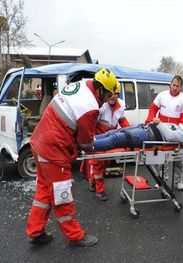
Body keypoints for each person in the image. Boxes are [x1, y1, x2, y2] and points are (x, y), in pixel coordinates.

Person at [26, 68, 119, 247]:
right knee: (62, 195)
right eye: (107, 95)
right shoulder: (90, 106)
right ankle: (75, 236)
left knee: (44, 191)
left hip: (40, 141)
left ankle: (35, 232)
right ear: (101, 89)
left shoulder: (82, 84)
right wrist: (91, 149)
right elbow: (85, 141)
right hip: (54, 148)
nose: (107, 99)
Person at [145, 75, 183, 190]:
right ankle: (161, 179)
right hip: (162, 131)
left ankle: (178, 180)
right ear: (170, 84)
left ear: (181, 87)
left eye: (177, 86)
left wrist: (182, 135)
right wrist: (150, 120)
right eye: (173, 85)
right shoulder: (162, 95)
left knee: (178, 158)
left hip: (175, 133)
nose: (175, 88)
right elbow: (152, 109)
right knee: (162, 157)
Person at [88, 89, 130, 201]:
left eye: (115, 93)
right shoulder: (102, 106)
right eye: (110, 93)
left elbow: (122, 120)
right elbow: (93, 123)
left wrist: (130, 132)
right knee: (98, 164)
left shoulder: (121, 105)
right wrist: (91, 139)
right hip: (100, 137)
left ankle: (92, 181)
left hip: (112, 137)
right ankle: (100, 190)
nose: (113, 96)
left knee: (106, 163)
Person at [94, 117, 183, 151]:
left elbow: (170, 136)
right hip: (144, 128)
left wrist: (159, 123)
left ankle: (88, 146)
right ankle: (88, 140)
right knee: (112, 132)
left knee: (116, 138)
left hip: (148, 135)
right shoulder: (178, 127)